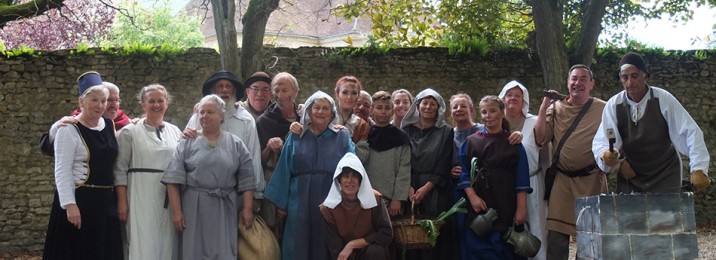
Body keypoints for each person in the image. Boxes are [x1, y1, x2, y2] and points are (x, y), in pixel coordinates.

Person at [593, 52, 710, 193]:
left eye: (634, 76)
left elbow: (690, 132)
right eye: (625, 77)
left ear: (645, 76)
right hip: (631, 177)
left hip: (665, 175)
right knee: (629, 215)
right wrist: (605, 155)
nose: (630, 82)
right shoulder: (613, 105)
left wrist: (699, 168)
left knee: (667, 215)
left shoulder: (663, 99)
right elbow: (602, 140)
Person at [162, 94, 256, 259]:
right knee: (193, 250)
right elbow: (173, 180)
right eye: (202, 112)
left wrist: (247, 209)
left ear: (221, 115)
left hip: (224, 207)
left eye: (210, 112)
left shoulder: (236, 144)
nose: (205, 116)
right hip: (193, 206)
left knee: (224, 250)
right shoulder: (187, 142)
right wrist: (176, 212)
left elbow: (247, 179)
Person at [264, 91, 355, 260]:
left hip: (331, 197)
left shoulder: (342, 137)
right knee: (297, 241)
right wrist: (281, 203)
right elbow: (284, 168)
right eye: (316, 108)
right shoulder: (296, 136)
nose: (320, 112)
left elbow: (352, 167)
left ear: (332, 113)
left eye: (325, 108)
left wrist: (349, 197)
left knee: (327, 240)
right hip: (299, 199)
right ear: (308, 112)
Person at [43, 75, 122, 259]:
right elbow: (62, 171)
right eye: (94, 100)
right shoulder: (68, 129)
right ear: (81, 101)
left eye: (103, 101)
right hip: (80, 200)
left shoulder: (109, 125)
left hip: (105, 202)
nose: (100, 105)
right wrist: (70, 205)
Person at [534, 64, 607, 260]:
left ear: (591, 84)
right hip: (562, 182)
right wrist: (543, 107)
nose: (578, 83)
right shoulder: (555, 108)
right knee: (556, 239)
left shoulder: (604, 108)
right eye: (574, 78)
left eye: (584, 79)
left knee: (590, 239)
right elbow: (540, 139)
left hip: (591, 181)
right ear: (568, 83)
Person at [457, 95, 531, 260]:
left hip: (506, 200)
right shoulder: (471, 142)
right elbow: (463, 171)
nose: (488, 116)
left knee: (505, 247)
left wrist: (521, 208)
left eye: (492, 111)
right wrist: (472, 197)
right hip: (480, 201)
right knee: (478, 245)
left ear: (502, 112)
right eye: (484, 112)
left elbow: (521, 177)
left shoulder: (513, 143)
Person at [113, 84, 181, 259]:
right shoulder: (130, 132)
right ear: (143, 104)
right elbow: (119, 169)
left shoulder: (175, 132)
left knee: (166, 241)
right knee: (141, 240)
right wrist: (122, 202)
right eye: (151, 101)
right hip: (139, 196)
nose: (156, 105)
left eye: (160, 101)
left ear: (167, 103)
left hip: (168, 196)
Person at [183, 71, 264, 208]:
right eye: (220, 86)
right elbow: (184, 150)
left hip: (236, 191)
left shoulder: (245, 120)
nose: (224, 90)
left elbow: (253, 156)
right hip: (200, 193)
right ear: (213, 91)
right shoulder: (199, 117)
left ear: (234, 91)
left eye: (228, 86)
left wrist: (256, 193)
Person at [400, 88, 457, 260]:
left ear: (438, 108)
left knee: (432, 234)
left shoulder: (446, 132)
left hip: (435, 190)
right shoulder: (405, 131)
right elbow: (403, 161)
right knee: (409, 234)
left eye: (433, 104)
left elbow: (444, 162)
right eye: (425, 103)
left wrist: (426, 188)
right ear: (417, 106)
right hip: (408, 186)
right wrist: (408, 185)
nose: (428, 107)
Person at [498, 81, 550, 260]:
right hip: (504, 186)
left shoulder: (534, 121)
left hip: (532, 183)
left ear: (524, 101)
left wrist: (544, 109)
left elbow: (542, 141)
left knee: (535, 230)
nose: (513, 98)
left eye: (517, 95)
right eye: (509, 94)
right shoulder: (494, 123)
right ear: (503, 99)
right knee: (506, 232)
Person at [320, 153, 393, 260]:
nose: (350, 180)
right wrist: (346, 250)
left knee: (376, 252)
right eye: (345, 176)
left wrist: (352, 244)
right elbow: (335, 248)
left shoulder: (375, 199)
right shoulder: (328, 209)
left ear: (361, 180)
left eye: (354, 176)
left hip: (370, 251)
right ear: (339, 180)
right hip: (344, 254)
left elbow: (386, 235)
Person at [255, 72, 301, 236]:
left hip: (299, 182)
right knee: (274, 231)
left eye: (285, 90)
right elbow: (257, 160)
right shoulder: (264, 121)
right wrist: (269, 147)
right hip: (273, 180)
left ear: (295, 92)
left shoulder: (306, 117)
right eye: (276, 90)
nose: (280, 95)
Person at [355, 91, 411, 217]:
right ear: (372, 110)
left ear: (392, 110)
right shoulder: (365, 134)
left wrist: (397, 198)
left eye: (387, 108)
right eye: (379, 108)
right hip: (365, 195)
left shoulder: (401, 137)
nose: (383, 112)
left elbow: (404, 170)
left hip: (390, 198)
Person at [47, 72, 130, 142]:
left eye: (117, 100)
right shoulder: (74, 123)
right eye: (109, 100)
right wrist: (55, 128)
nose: (114, 105)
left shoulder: (122, 121)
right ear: (82, 102)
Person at [334, 76, 371, 143]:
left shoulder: (362, 126)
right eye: (345, 92)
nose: (349, 97)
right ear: (337, 94)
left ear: (358, 96)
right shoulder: (326, 118)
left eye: (354, 93)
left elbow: (362, 152)